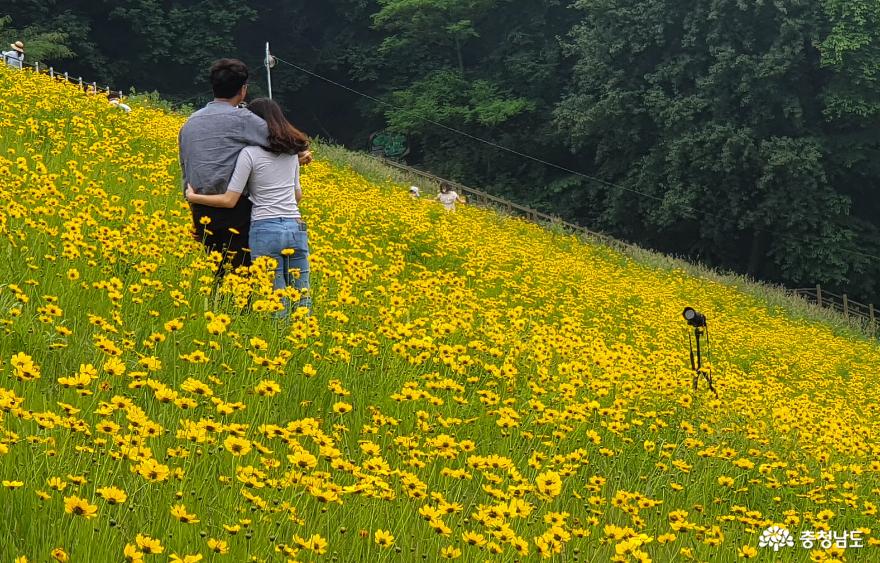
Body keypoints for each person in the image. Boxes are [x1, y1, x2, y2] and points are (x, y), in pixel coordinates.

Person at [185, 98, 312, 315]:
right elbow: (297, 195)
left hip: (265, 230)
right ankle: (307, 338)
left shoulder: (249, 154)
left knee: (276, 299)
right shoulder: (292, 153)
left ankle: (278, 342)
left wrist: (193, 198)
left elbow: (229, 200)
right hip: (294, 227)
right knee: (302, 297)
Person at [179, 59, 269, 273]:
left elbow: (186, 168)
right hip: (235, 210)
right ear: (243, 90)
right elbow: (278, 139)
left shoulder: (190, 123)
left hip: (200, 209)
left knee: (216, 274)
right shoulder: (243, 119)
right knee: (241, 277)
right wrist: (300, 152)